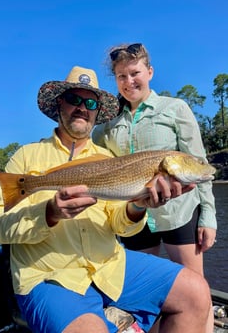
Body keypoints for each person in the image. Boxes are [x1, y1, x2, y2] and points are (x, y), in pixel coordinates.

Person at [0, 66, 212, 333]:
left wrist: (139, 205)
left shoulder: (108, 158)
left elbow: (120, 226)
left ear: (97, 112)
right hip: (50, 276)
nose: (82, 107)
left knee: (197, 292)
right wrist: (49, 213)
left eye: (91, 103)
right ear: (59, 103)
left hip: (110, 265)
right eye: (74, 99)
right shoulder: (25, 157)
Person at [92, 43, 217, 332]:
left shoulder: (175, 109)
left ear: (149, 71)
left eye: (134, 73)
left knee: (196, 288)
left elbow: (200, 166)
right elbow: (91, 156)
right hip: (135, 216)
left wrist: (208, 216)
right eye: (121, 76)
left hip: (180, 214)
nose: (129, 81)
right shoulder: (108, 125)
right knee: (149, 293)